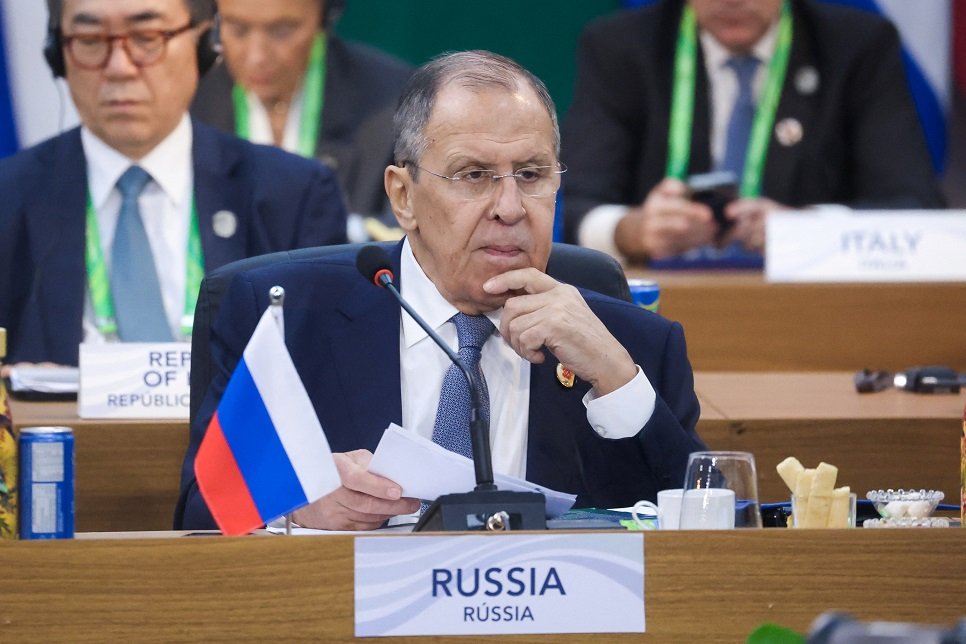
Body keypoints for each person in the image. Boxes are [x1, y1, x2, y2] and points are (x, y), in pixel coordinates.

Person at [176, 50, 705, 531]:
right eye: (473, 175)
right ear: (403, 196)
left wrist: (618, 383)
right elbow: (200, 513)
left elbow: (707, 530)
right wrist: (293, 503)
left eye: (531, 174)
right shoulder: (285, 321)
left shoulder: (635, 347)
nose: (510, 208)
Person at [0, 0, 348, 367]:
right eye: (90, 40)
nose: (119, 67)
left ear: (205, 43)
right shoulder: (9, 199)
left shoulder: (294, 195)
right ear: (58, 53)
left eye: (147, 37)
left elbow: (329, 369)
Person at [562, 0, 945, 266]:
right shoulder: (621, 47)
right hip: (665, 303)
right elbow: (570, 205)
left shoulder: (856, 45)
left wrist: (806, 231)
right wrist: (633, 231)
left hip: (810, 308)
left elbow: (912, 205)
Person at [190, 0, 413, 230]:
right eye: (238, 29)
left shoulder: (392, 101)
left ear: (324, 17)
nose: (257, 56)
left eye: (282, 31)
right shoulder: (187, 99)